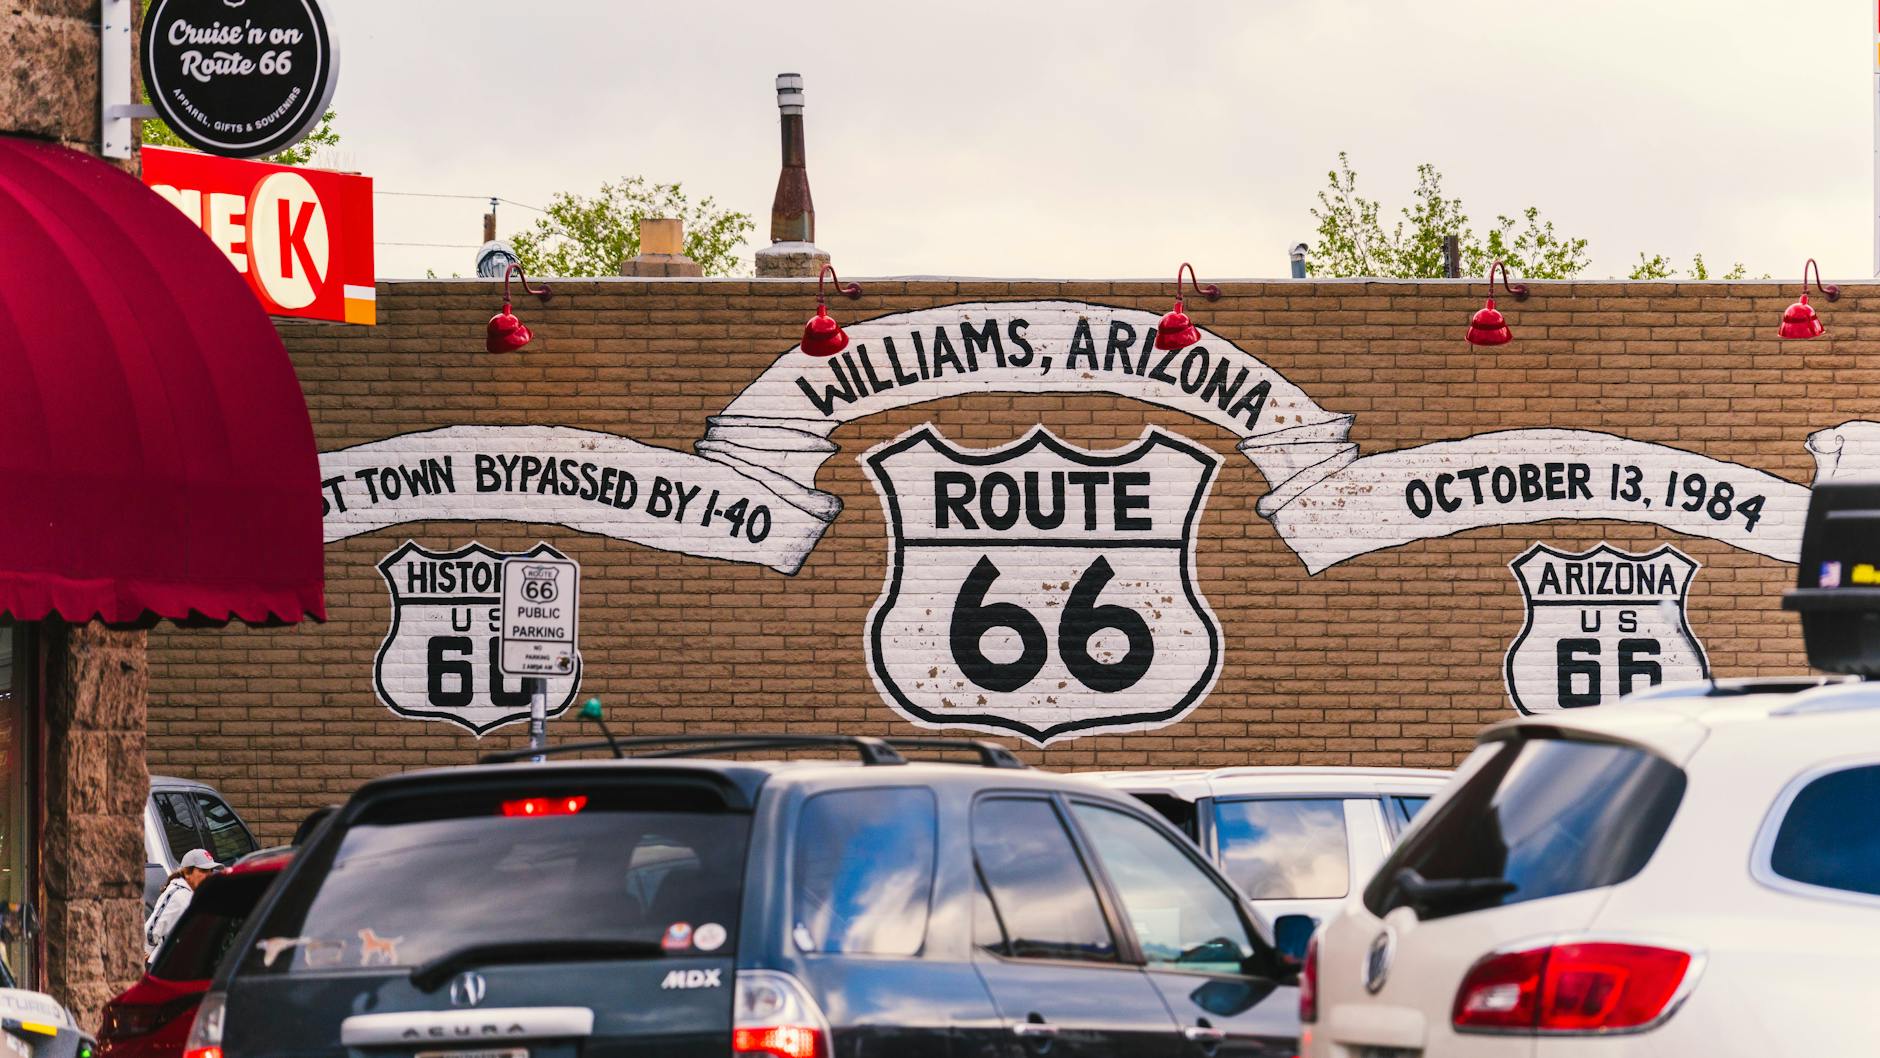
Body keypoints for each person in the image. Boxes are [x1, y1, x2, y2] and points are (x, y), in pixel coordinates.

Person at [144, 848, 221, 963]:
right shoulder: (177, 894)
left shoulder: (196, 894)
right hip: (166, 965)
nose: (209, 875)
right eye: (203, 871)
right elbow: (152, 929)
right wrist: (148, 951)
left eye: (211, 870)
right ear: (187, 872)